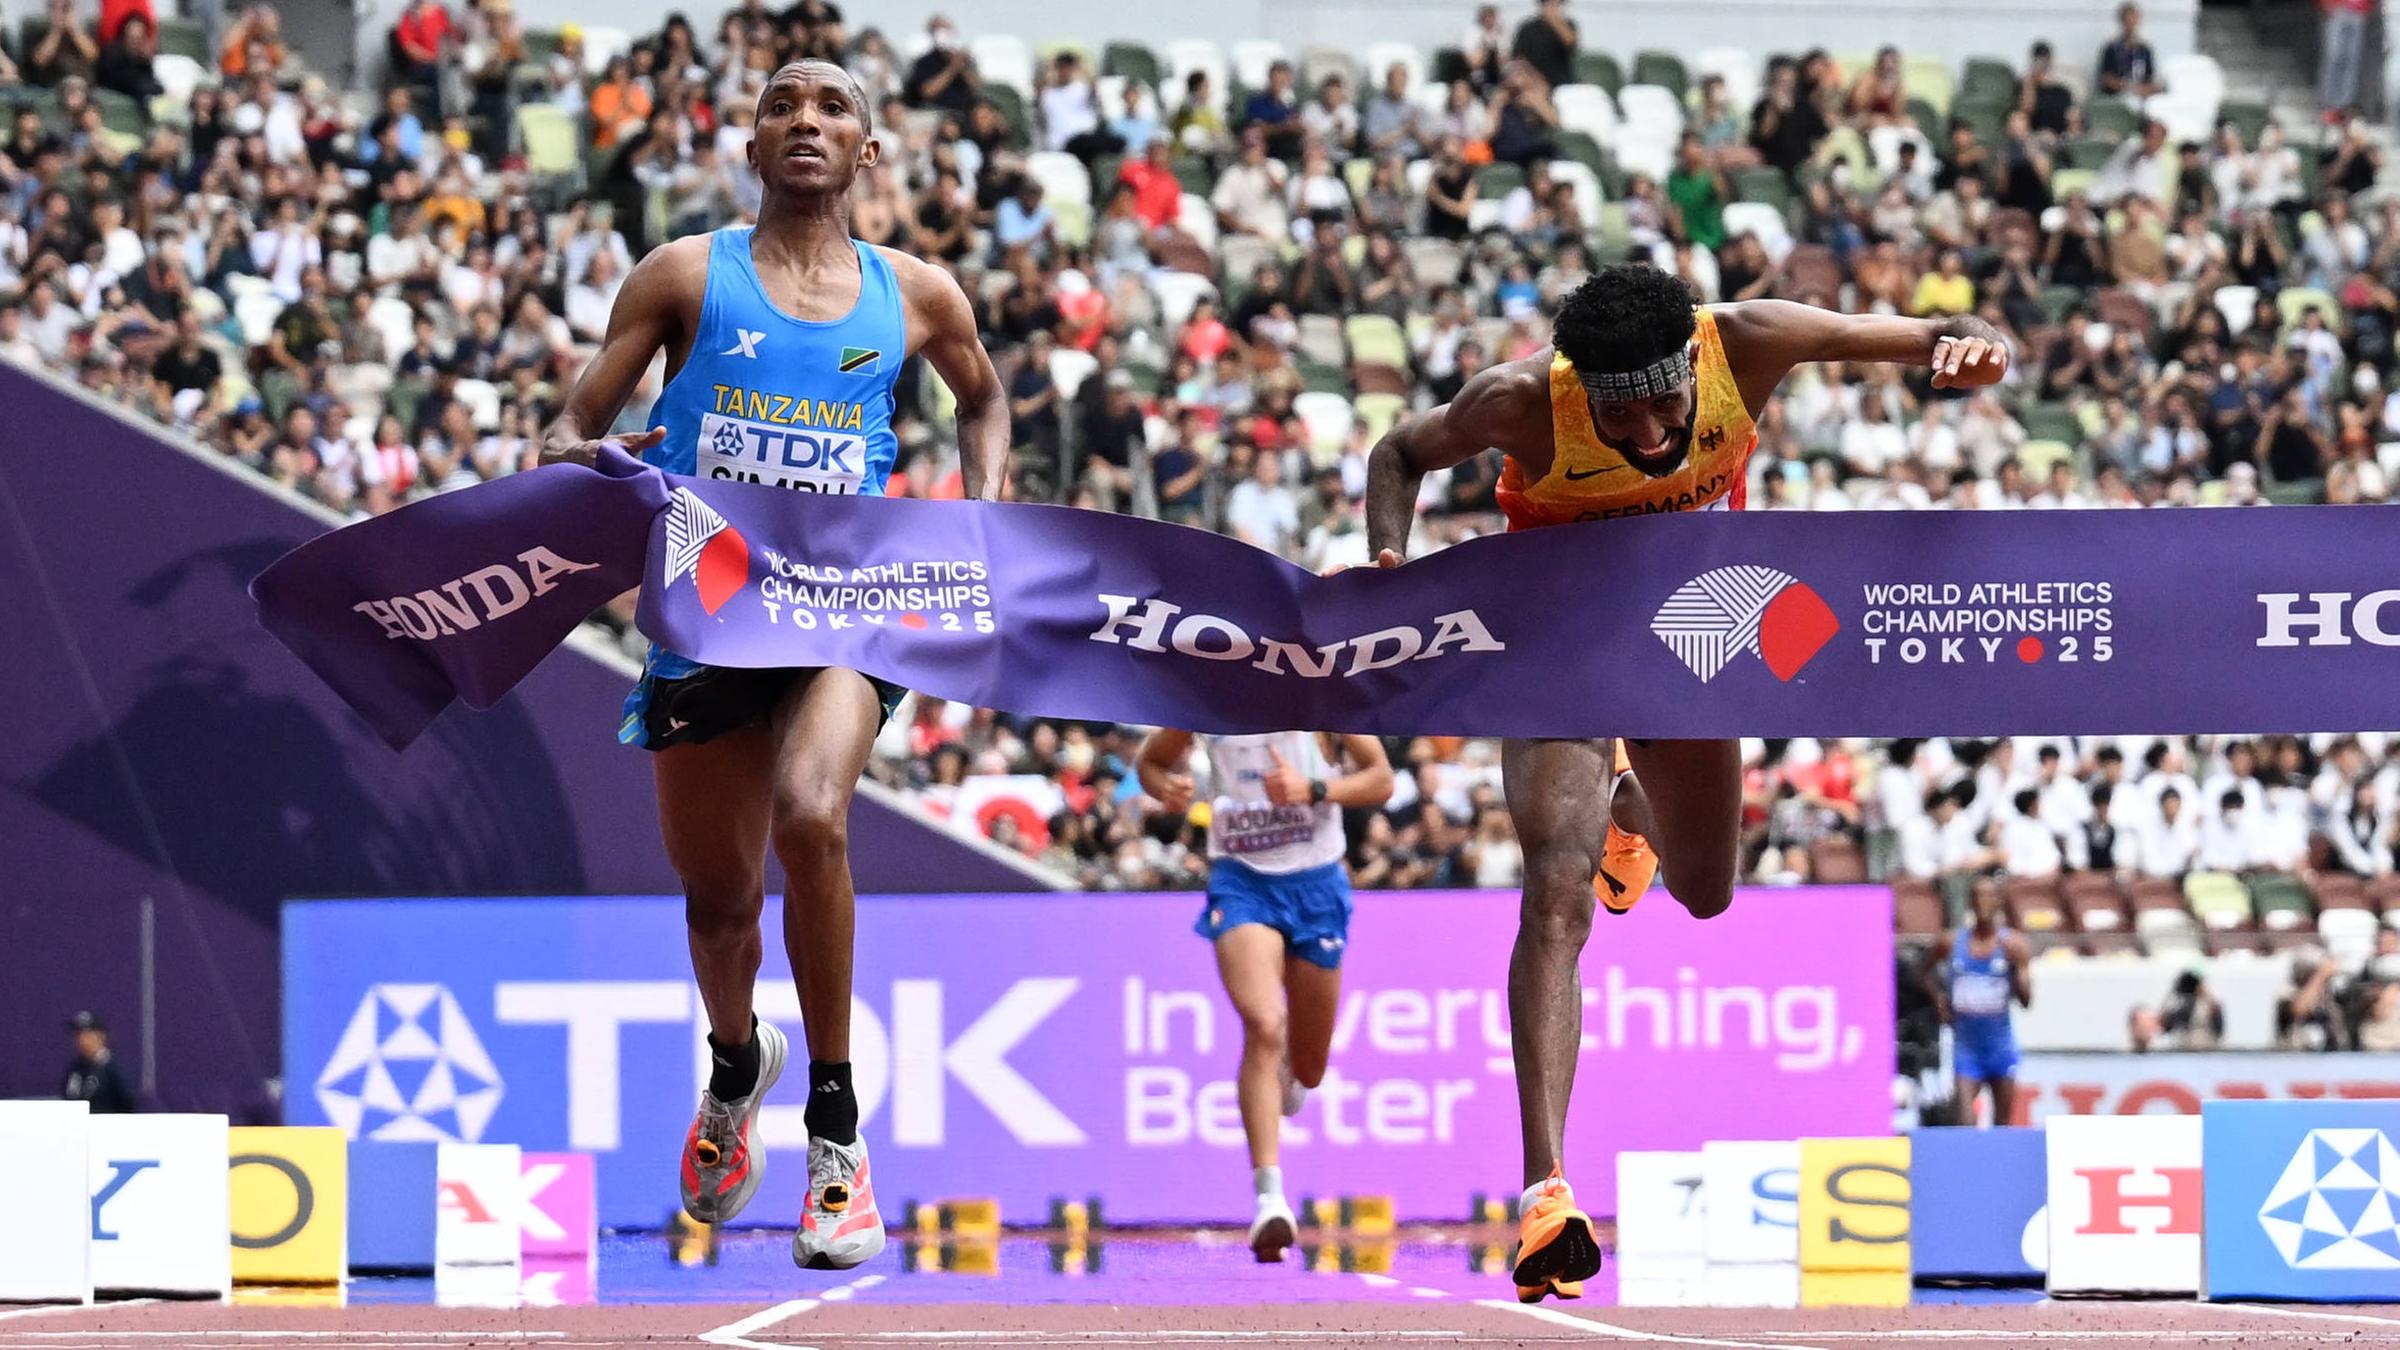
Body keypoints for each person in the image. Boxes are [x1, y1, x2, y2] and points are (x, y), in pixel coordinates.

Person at [1353, 263, 2007, 1301]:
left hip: (1696, 625)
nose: (1654, 428)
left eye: (1666, 401)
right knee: (1557, 896)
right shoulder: (1519, 401)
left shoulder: (1753, 340)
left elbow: (1949, 323)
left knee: (1705, 890)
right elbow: (1397, 452)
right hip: (1555, 631)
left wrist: (1972, 351)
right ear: (1582, 390)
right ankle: (1545, 1194)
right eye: (1623, 413)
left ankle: (1631, 809)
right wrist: (1387, 563)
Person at [537, 60, 1008, 1272]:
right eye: (783, 104)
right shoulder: (686, 275)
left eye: (834, 105)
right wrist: (585, 462)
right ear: (752, 143)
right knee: (720, 903)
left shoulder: (918, 295)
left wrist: (983, 512)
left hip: (844, 605)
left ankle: (838, 1144)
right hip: (707, 607)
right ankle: (738, 1063)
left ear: (870, 150)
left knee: (814, 816)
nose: (806, 118)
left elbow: (984, 402)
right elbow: (569, 424)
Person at [1134, 728, 1394, 1261]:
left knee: (1311, 1068)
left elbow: (1382, 780)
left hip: (1317, 882)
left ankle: (1290, 1078)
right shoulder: (1210, 699)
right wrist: (1166, 788)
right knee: (1264, 1025)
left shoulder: (1319, 695)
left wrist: (1315, 790)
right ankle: (1269, 1200)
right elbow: (1150, 763)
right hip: (1242, 882)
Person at [1925, 885, 2030, 1126]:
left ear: (1998, 903)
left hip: (2001, 1049)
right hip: (1967, 1050)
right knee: (1965, 1123)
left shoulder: (2012, 945)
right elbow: (1923, 972)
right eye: (1977, 897)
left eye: (1988, 897)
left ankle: (1999, 1164)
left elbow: (2026, 1001)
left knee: (2002, 1126)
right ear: (1970, 903)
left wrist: (2015, 973)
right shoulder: (1952, 942)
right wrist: (1938, 997)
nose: (1982, 902)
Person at [63, 1011, 136, 1113]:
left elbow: (127, 1107)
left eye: (86, 1034)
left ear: (101, 1036)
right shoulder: (74, 1070)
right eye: (78, 1034)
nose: (81, 1039)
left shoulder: (113, 1071)